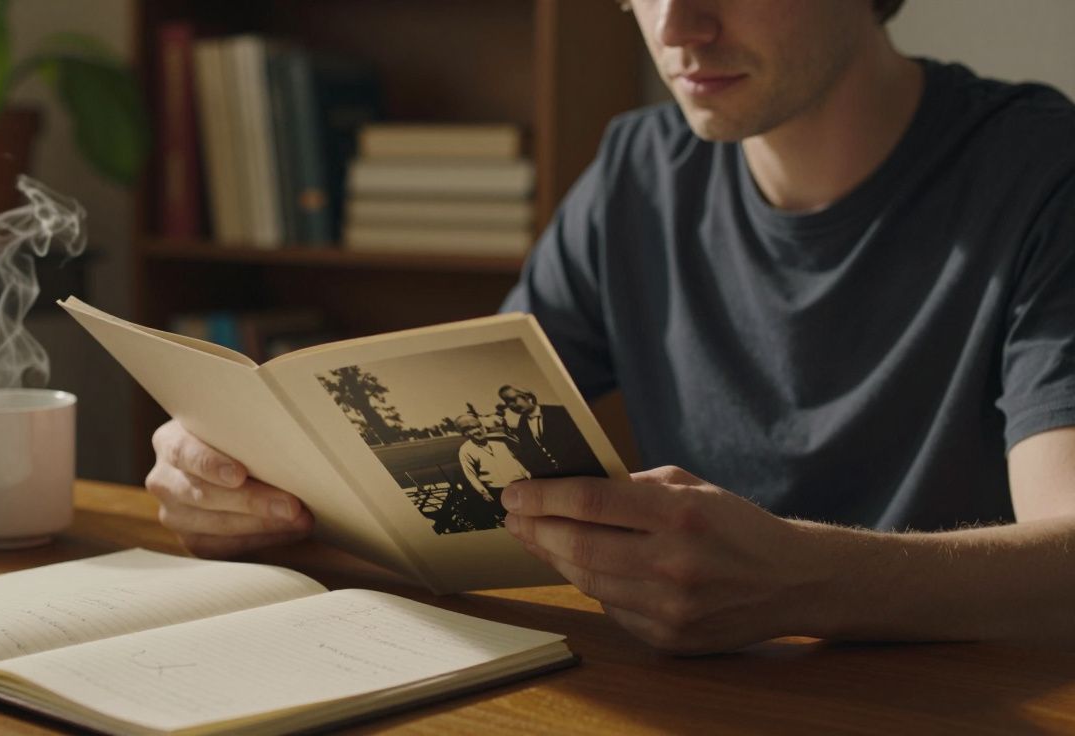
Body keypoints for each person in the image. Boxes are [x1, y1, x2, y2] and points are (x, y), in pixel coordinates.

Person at [147, 0, 1075, 654]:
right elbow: (451, 452)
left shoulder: (1042, 177)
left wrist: (808, 580)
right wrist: (251, 477)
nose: (676, 26)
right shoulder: (639, 170)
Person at [498, 385, 607, 479]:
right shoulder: (522, 428)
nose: (511, 405)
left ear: (527, 396)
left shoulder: (560, 413)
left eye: (512, 400)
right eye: (507, 403)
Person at [453, 413, 531, 528]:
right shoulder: (465, 450)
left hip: (522, 482)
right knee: (515, 519)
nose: (477, 431)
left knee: (531, 512)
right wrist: (483, 492)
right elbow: (470, 474)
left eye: (478, 426)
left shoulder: (501, 439)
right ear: (464, 434)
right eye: (469, 429)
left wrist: (529, 474)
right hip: (498, 490)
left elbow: (523, 453)